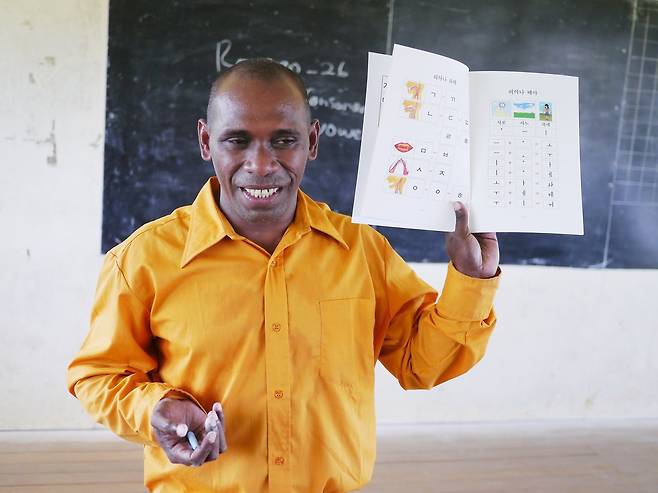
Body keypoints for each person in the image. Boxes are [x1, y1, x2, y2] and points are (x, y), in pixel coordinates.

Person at [67, 58, 501, 493]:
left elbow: (421, 365)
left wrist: (469, 280)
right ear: (205, 141)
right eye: (237, 141)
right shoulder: (143, 259)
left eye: (283, 140)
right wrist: (155, 409)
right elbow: (98, 376)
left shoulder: (362, 252)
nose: (260, 164)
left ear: (312, 141)